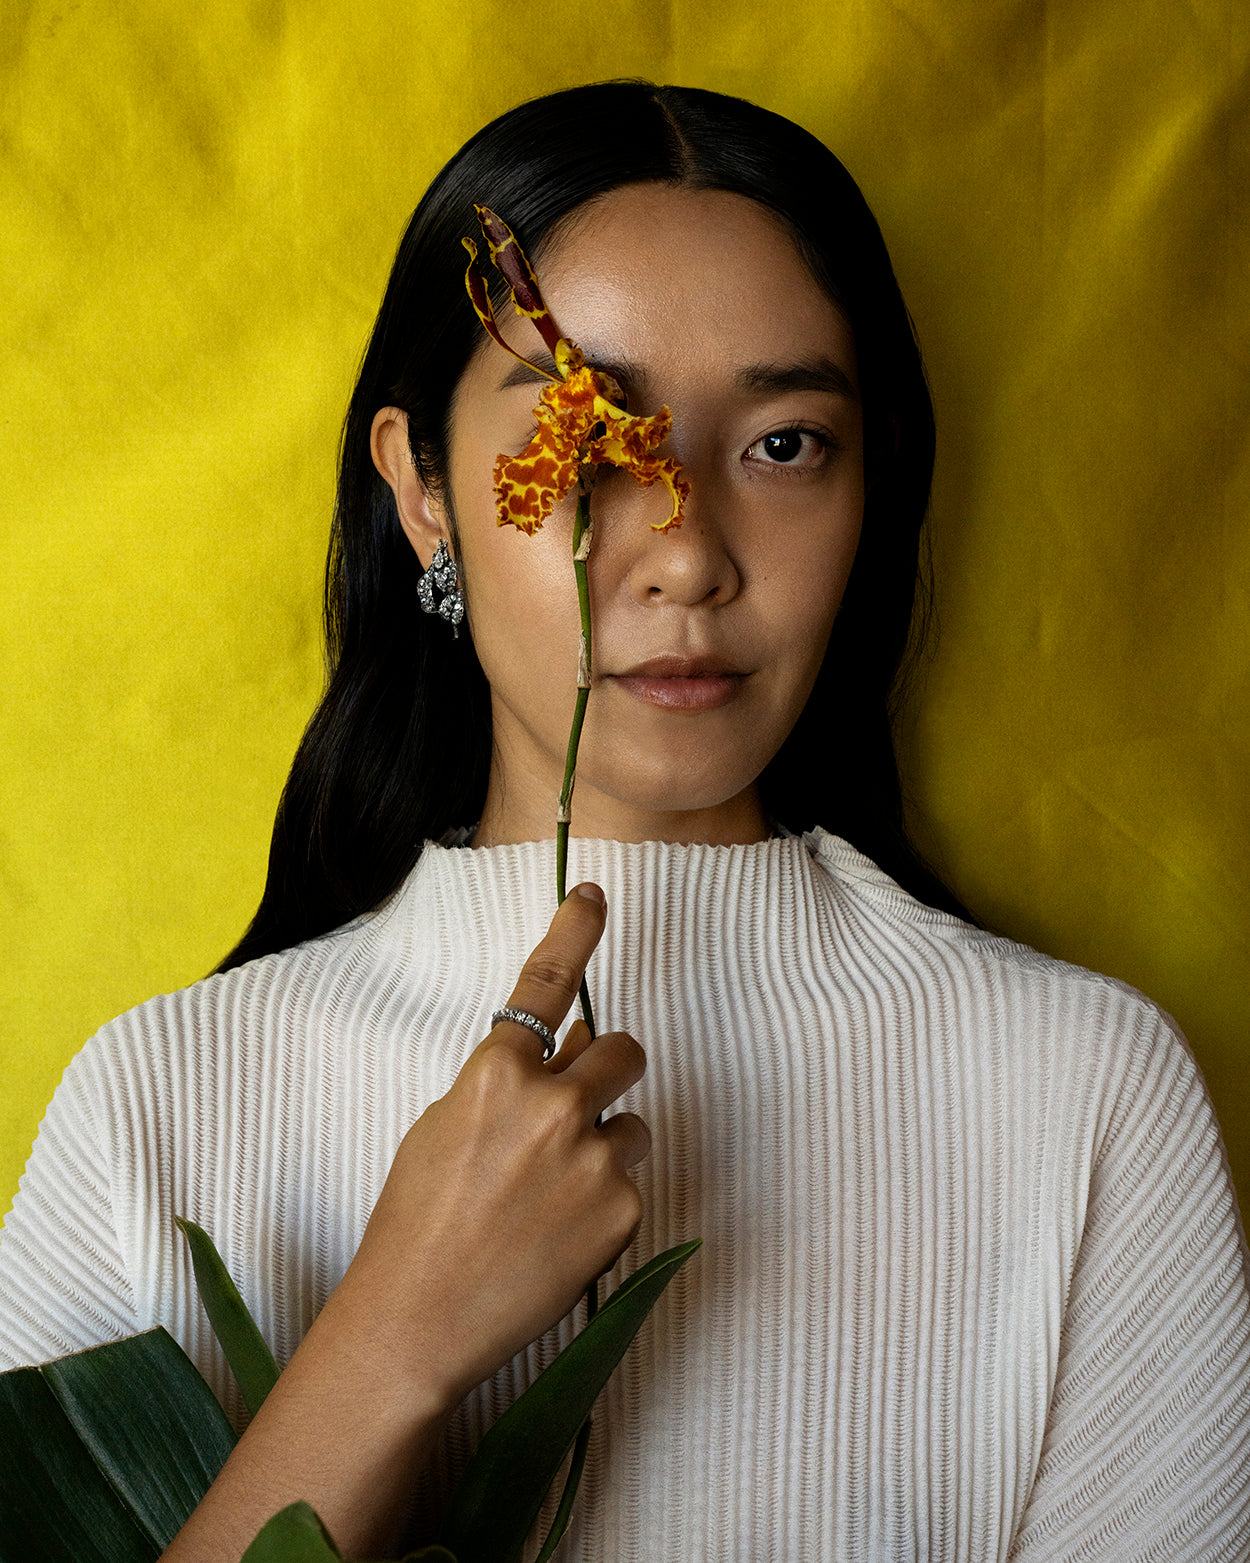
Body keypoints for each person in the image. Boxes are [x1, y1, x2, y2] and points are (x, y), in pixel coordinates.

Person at [1, 80, 1247, 1562]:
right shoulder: (159, 1107)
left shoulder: (1084, 1095)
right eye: (586, 440)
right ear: (423, 494)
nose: (686, 552)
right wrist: (394, 1336)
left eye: (784, 445)